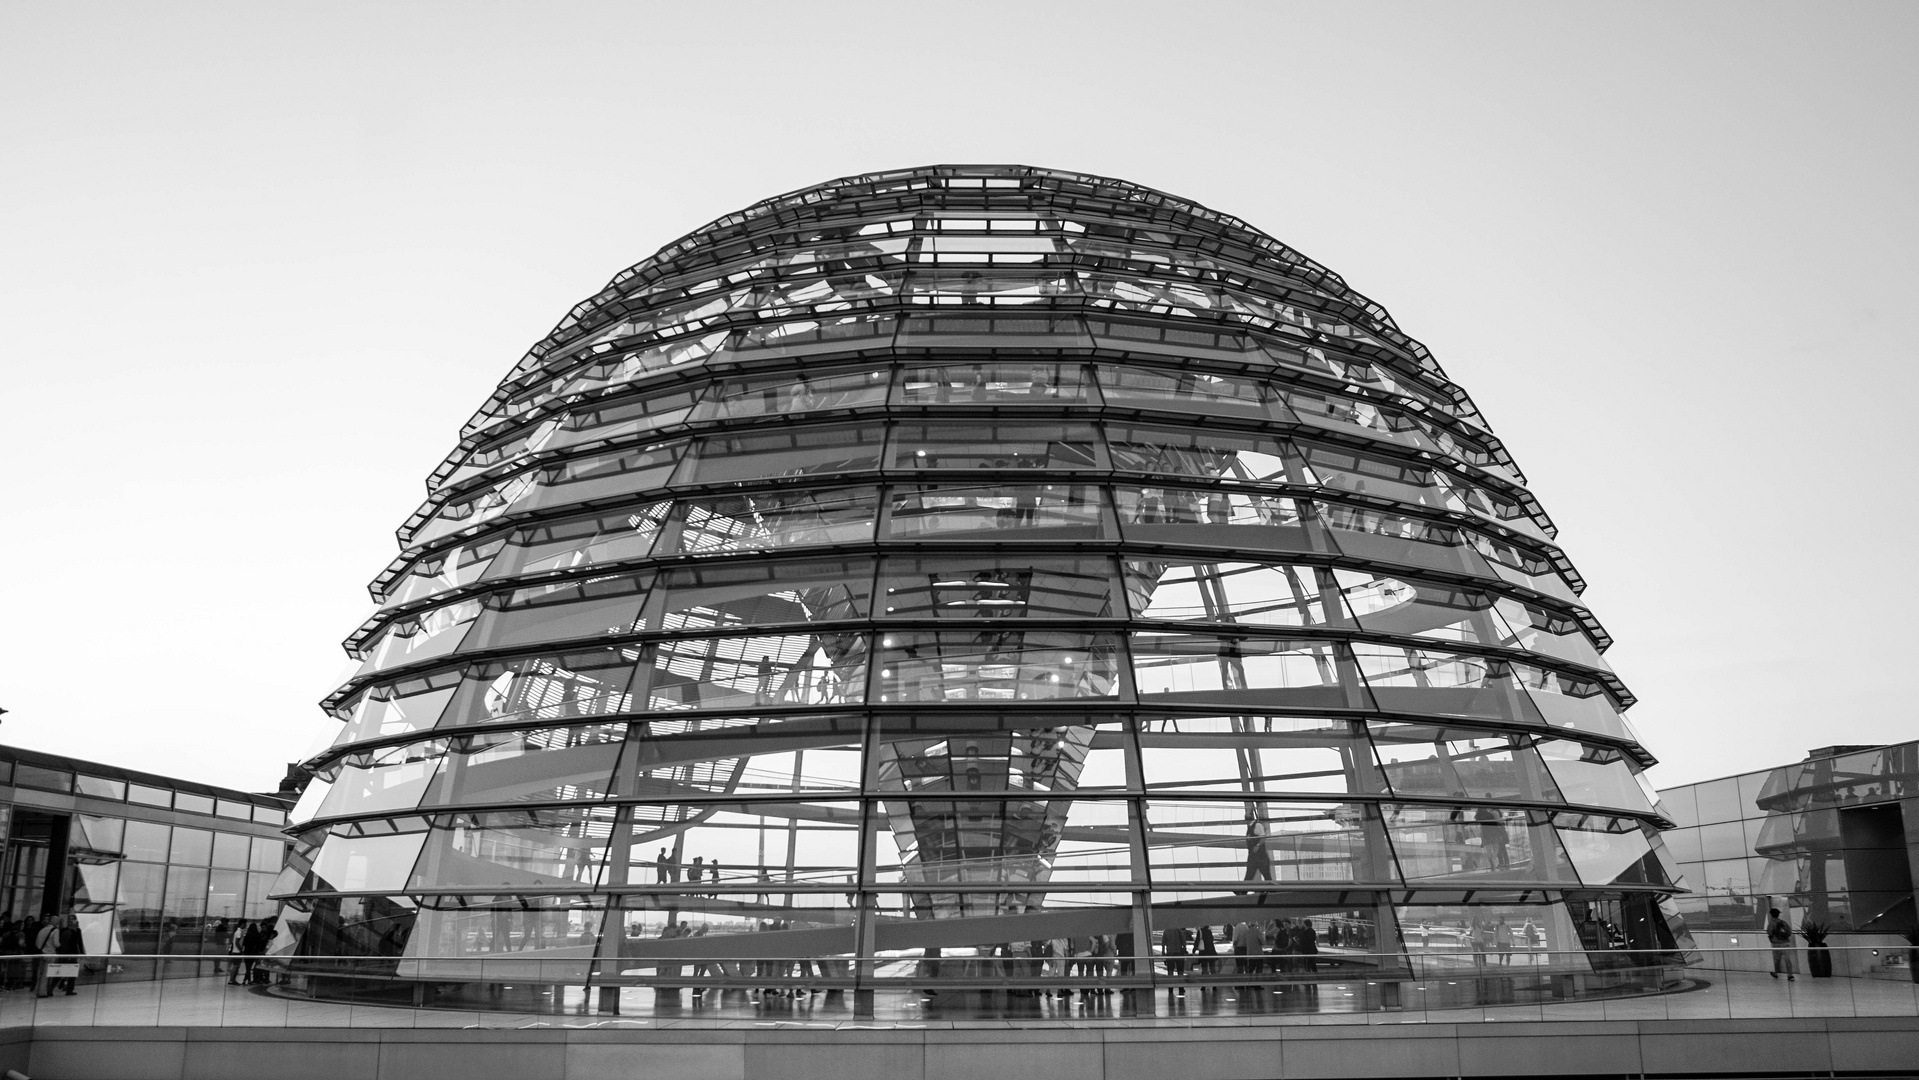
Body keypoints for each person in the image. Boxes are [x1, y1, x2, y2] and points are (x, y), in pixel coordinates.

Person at [1766, 908, 1797, 981]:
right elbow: (1789, 932)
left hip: (1777, 944)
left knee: (1777, 959)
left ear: (1771, 915)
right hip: (1786, 943)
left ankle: (1776, 973)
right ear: (1778, 914)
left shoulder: (1771, 923)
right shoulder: (1783, 923)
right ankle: (1790, 975)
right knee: (1787, 959)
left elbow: (1769, 933)